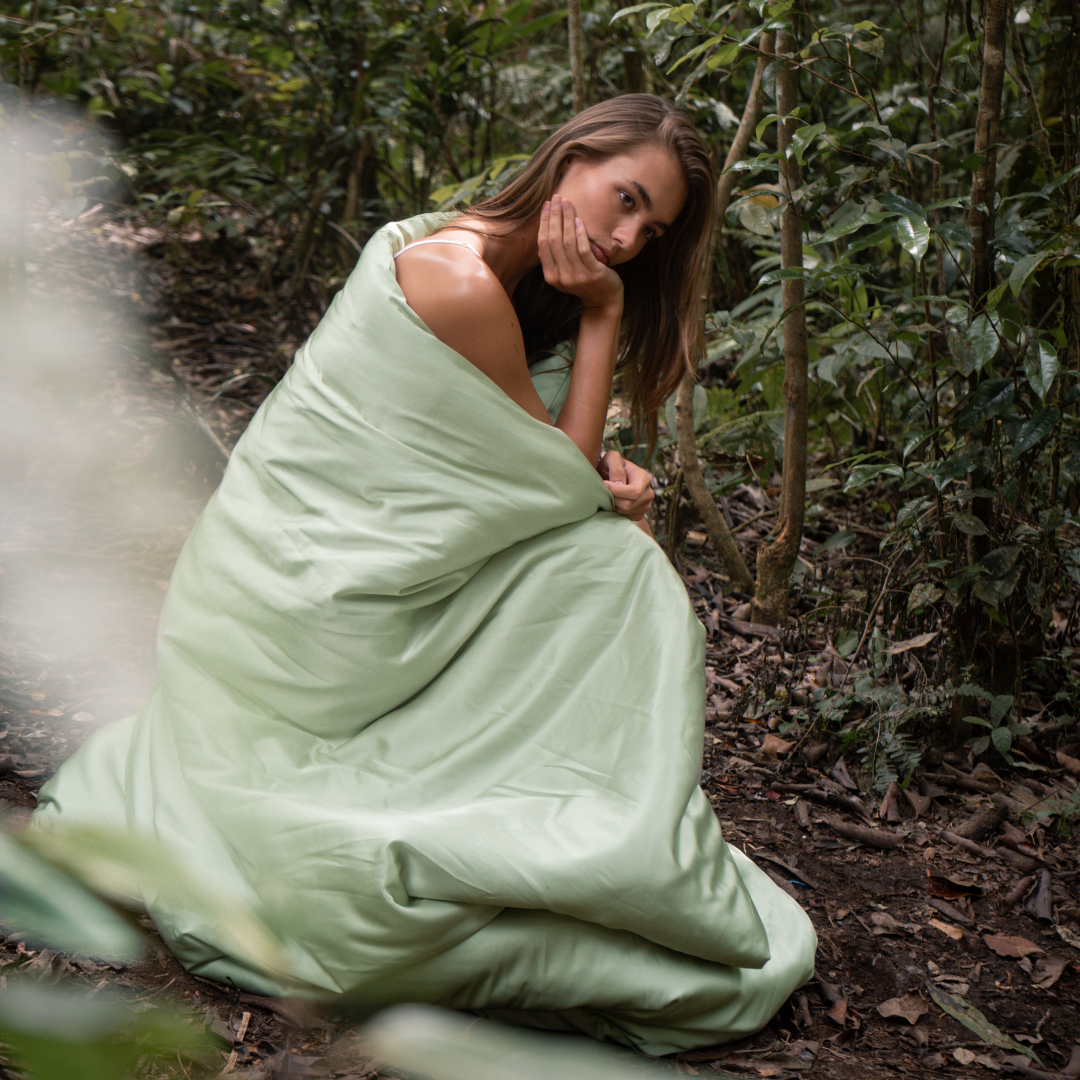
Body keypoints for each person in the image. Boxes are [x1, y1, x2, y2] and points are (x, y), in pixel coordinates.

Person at [31, 95, 816, 1055]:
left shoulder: (496, 264)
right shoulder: (457, 278)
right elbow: (554, 480)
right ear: (570, 156)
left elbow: (523, 472)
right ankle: (554, 818)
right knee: (614, 570)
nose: (622, 238)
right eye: (623, 198)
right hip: (301, 601)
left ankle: (556, 813)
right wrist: (604, 326)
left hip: (344, 572)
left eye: (647, 230)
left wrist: (594, 481)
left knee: (600, 559)